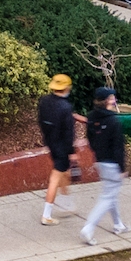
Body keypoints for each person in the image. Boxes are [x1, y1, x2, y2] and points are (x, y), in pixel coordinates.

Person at [81, 87, 129, 246]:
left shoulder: (92, 117)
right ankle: (88, 228)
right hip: (113, 164)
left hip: (100, 161)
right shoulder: (113, 121)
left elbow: (90, 139)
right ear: (107, 101)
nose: (114, 99)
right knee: (107, 197)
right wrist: (122, 168)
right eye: (112, 97)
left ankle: (118, 225)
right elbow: (118, 147)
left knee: (110, 194)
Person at [37, 74, 78, 225]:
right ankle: (46, 215)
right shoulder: (65, 107)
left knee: (64, 173)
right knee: (55, 178)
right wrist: (72, 152)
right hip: (62, 147)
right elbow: (69, 133)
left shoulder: (44, 101)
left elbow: (41, 121)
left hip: (50, 142)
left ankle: (66, 202)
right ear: (66, 88)